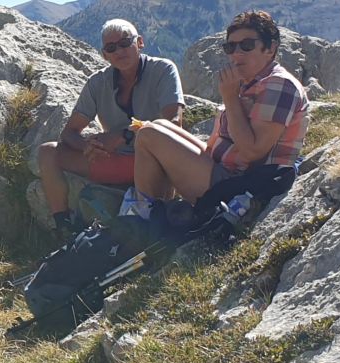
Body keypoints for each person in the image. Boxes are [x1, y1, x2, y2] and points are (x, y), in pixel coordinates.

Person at [124, 10, 307, 219]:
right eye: (230, 47)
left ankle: (145, 219)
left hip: (242, 185)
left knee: (150, 136)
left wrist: (230, 98)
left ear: (271, 48)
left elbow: (253, 153)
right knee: (155, 126)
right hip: (224, 170)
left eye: (246, 45)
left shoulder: (280, 85)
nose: (236, 53)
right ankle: (156, 210)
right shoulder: (250, 83)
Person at [34, 19, 184, 231]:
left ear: (140, 42)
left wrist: (125, 135)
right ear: (105, 55)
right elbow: (69, 133)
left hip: (153, 163)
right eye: (111, 48)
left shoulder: (163, 70)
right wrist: (86, 146)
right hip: (114, 160)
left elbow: (174, 123)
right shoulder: (98, 83)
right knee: (47, 152)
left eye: (125, 43)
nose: (119, 51)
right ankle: (64, 226)